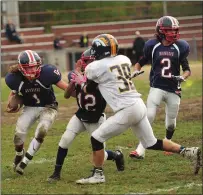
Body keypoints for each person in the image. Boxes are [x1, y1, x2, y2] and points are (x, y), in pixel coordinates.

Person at [71, 33, 201, 184]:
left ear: (101, 50)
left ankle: (98, 175)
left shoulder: (95, 67)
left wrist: (81, 81)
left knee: (96, 138)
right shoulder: (123, 60)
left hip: (126, 110)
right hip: (138, 105)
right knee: (151, 143)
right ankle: (188, 151)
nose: (93, 53)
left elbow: (89, 89)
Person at [47, 48, 124, 183]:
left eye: (89, 62)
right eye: (85, 62)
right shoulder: (76, 74)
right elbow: (66, 95)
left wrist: (83, 82)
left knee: (100, 154)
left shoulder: (103, 78)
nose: (86, 65)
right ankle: (56, 173)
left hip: (96, 118)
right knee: (65, 140)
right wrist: (73, 81)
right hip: (80, 114)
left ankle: (116, 155)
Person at [129, 16, 192, 159]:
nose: (173, 33)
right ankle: (140, 150)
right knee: (149, 115)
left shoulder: (179, 47)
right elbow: (141, 61)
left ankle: (168, 141)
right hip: (157, 86)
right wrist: (136, 70)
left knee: (170, 124)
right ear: (161, 31)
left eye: (174, 30)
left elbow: (187, 69)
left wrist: (183, 76)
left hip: (173, 89)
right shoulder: (153, 46)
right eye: (169, 30)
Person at [5, 50, 68, 175]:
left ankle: (25, 161)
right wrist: (10, 104)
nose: (33, 70)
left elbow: (66, 87)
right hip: (30, 107)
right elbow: (13, 92)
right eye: (29, 68)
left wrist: (80, 92)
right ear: (21, 68)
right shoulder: (13, 78)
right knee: (19, 132)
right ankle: (19, 153)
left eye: (35, 66)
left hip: (49, 106)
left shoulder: (48, 72)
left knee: (42, 130)